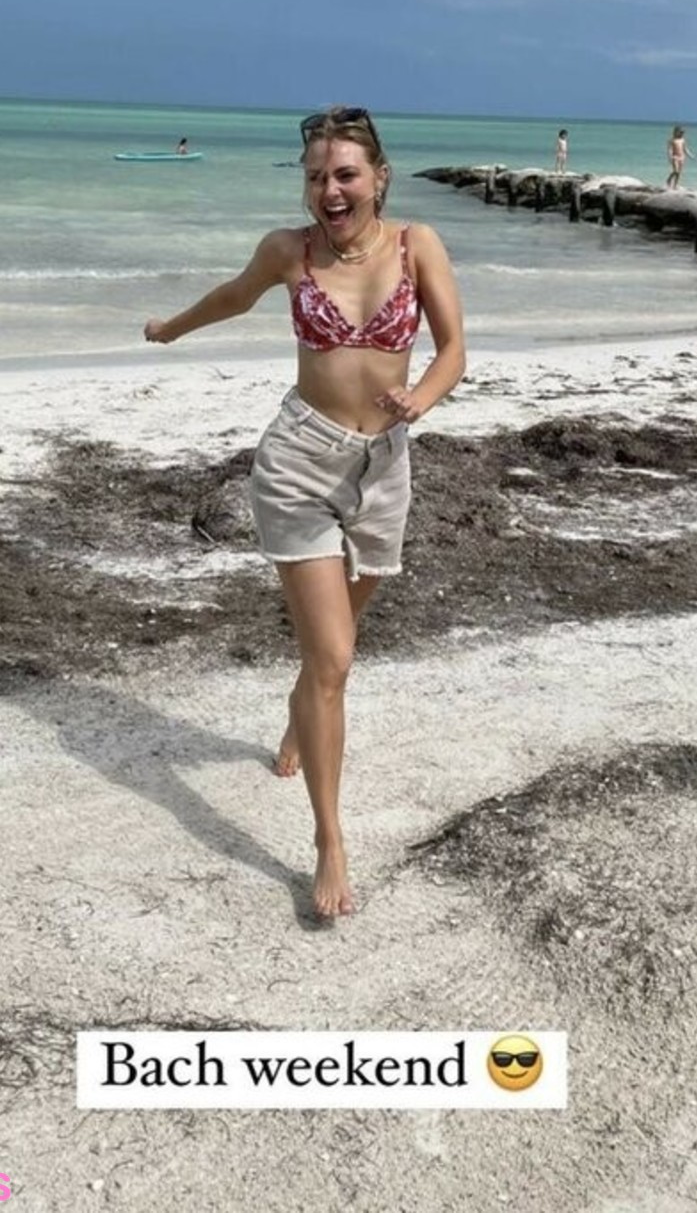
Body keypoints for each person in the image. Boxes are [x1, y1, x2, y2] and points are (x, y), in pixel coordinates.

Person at [144, 106, 466, 918]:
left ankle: (302, 715)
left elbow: (454, 349)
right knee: (335, 661)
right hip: (297, 464)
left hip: (384, 468)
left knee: (333, 652)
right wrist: (172, 328)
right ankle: (329, 840)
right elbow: (235, 295)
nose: (330, 190)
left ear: (379, 177)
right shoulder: (289, 251)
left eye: (346, 174)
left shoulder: (418, 245)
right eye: (316, 176)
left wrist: (421, 398)